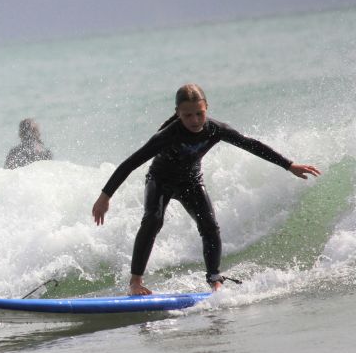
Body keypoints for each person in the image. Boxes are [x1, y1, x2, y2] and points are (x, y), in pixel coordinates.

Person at [91, 84, 320, 295]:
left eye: (199, 113)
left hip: (191, 181)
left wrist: (289, 165)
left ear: (206, 108)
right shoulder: (167, 135)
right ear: (178, 112)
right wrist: (105, 196)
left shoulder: (215, 129)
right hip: (161, 180)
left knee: (209, 225)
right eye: (188, 115)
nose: (195, 120)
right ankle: (135, 282)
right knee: (153, 219)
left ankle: (214, 279)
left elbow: (251, 145)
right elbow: (131, 162)